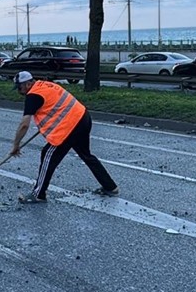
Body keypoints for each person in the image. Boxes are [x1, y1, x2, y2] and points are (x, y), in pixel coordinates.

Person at [9, 71, 118, 204]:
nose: (19, 92)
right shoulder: (45, 85)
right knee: (86, 155)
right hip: (83, 117)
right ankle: (110, 186)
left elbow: (24, 125)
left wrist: (16, 145)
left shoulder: (33, 96)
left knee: (48, 155)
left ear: (27, 84)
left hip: (69, 126)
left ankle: (38, 194)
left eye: (19, 88)